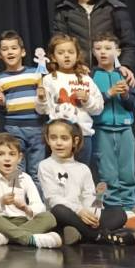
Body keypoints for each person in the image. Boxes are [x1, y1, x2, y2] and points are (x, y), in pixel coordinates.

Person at [38, 120, 132, 245]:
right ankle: (98, 236)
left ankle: (82, 234)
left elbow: (89, 196)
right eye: (53, 138)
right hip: (66, 215)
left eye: (64, 138)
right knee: (59, 210)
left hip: (83, 216)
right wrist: (79, 211)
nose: (58, 143)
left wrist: (93, 216)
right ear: (47, 139)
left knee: (120, 213)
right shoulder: (45, 165)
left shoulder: (83, 168)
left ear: (75, 141)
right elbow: (53, 198)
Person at [52, 0, 135, 86]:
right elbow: (58, 45)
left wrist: (125, 65)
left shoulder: (113, 7)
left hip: (109, 74)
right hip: (78, 75)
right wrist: (76, 66)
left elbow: (129, 44)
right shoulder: (64, 11)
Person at [0, 133, 61, 248]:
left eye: (12, 154)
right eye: (1, 154)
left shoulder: (25, 178)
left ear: (19, 157)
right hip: (0, 222)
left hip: (22, 221)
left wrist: (25, 208)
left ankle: (6, 238)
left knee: (49, 217)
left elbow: (39, 205)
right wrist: (0, 202)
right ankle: (29, 239)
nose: (7, 158)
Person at [34, 34, 104, 168]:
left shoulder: (85, 79)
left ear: (77, 55)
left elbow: (98, 108)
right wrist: (41, 99)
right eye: (61, 53)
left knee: (82, 172)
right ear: (53, 57)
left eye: (71, 52)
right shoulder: (49, 79)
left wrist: (87, 99)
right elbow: (42, 110)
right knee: (60, 175)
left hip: (83, 135)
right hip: (59, 137)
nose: (66, 56)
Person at [91, 33, 135, 213]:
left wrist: (126, 94)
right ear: (93, 52)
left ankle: (130, 206)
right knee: (108, 173)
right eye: (98, 48)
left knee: (128, 172)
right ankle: (114, 209)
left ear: (117, 51)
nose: (103, 52)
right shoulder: (91, 76)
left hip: (125, 128)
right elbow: (90, 105)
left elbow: (133, 104)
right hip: (102, 129)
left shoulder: (125, 74)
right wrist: (108, 93)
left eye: (108, 48)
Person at [0, 30, 46, 189]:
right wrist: (1, 104)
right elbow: (1, 111)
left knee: (36, 170)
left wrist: (43, 95)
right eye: (5, 49)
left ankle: (38, 206)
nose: (10, 52)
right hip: (13, 128)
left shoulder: (35, 74)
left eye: (14, 48)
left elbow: (45, 103)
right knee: (17, 169)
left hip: (37, 127)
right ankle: (18, 203)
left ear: (22, 52)